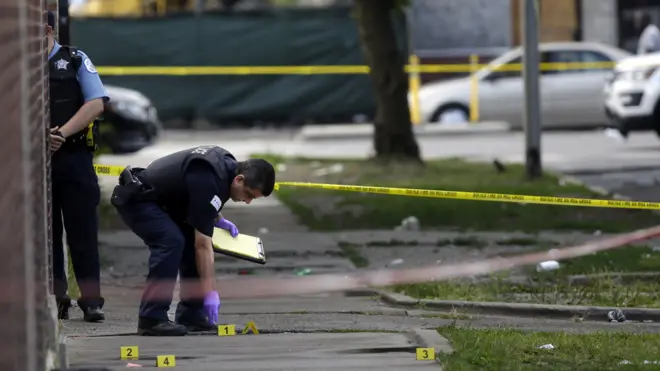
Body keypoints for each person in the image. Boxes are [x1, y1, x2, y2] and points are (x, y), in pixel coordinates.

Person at [110, 145, 275, 336]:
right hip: (139, 200)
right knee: (171, 242)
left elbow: (200, 199)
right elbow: (203, 245)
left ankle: (192, 315)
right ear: (239, 180)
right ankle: (151, 318)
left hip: (161, 202)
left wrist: (217, 219)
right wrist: (210, 293)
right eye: (249, 195)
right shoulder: (208, 173)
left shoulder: (226, 167)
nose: (247, 202)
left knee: (188, 239)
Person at [46, 10, 109, 322]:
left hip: (74, 159)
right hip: (39, 163)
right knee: (48, 235)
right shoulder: (21, 67)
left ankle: (91, 300)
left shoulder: (74, 60)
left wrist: (60, 133)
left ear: (47, 30)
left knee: (83, 232)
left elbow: (96, 103)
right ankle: (58, 299)